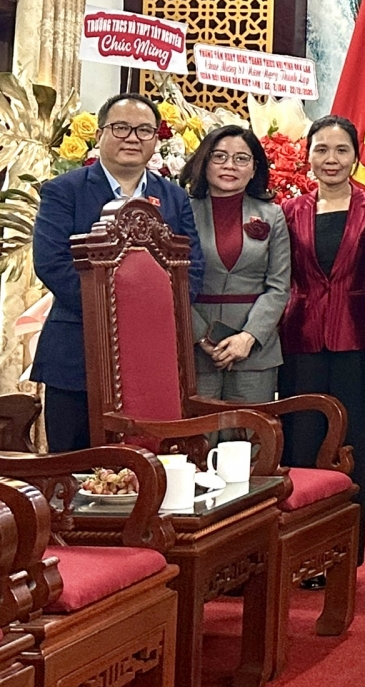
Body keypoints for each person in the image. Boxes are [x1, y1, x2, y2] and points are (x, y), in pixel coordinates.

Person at [32, 93, 204, 451]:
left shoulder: (174, 197)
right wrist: (113, 312)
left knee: (150, 459)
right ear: (100, 135)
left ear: (156, 139)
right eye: (121, 128)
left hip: (153, 351)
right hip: (77, 352)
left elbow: (191, 267)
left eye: (144, 130)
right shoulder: (64, 191)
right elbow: (51, 262)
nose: (132, 138)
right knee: (73, 463)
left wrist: (156, 314)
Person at [280, 115, 365, 572]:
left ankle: (343, 557)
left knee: (351, 447)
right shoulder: (289, 211)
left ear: (356, 157)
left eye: (341, 150)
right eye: (321, 149)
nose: (331, 159)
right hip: (300, 340)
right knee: (300, 445)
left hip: (356, 340)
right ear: (308, 156)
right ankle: (304, 553)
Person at [180, 125, 290, 404]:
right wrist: (200, 336)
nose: (230, 165)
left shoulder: (272, 215)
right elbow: (171, 281)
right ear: (204, 162)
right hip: (194, 347)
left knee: (251, 430)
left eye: (241, 158)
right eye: (219, 156)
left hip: (254, 350)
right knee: (196, 428)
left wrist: (249, 336)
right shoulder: (182, 211)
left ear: (254, 168)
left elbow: (279, 286)